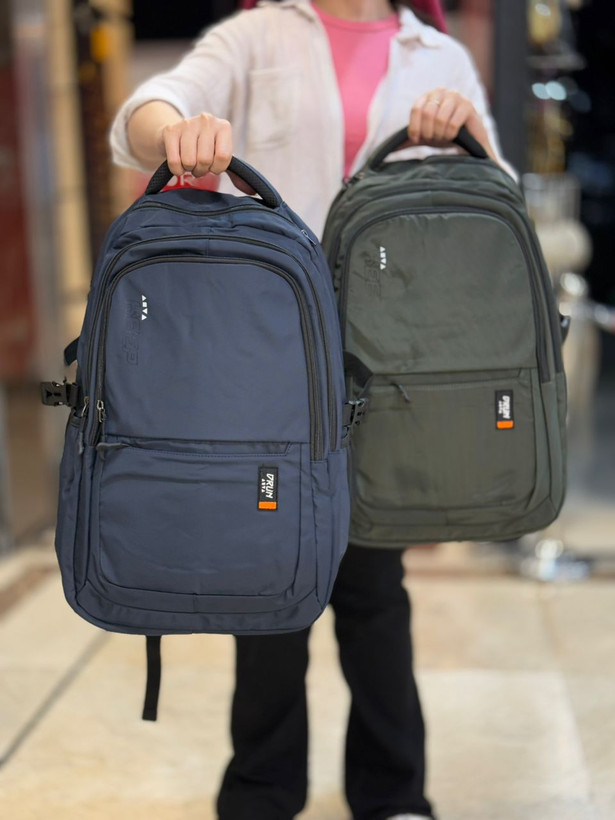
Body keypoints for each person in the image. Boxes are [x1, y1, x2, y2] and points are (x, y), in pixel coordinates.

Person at [110, 2, 512, 819]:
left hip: (390, 357)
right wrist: (176, 131)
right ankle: (262, 793)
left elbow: (496, 194)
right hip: (267, 355)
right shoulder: (257, 35)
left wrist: (466, 130)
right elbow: (144, 111)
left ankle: (393, 795)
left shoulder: (434, 53)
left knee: (374, 585)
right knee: (268, 581)